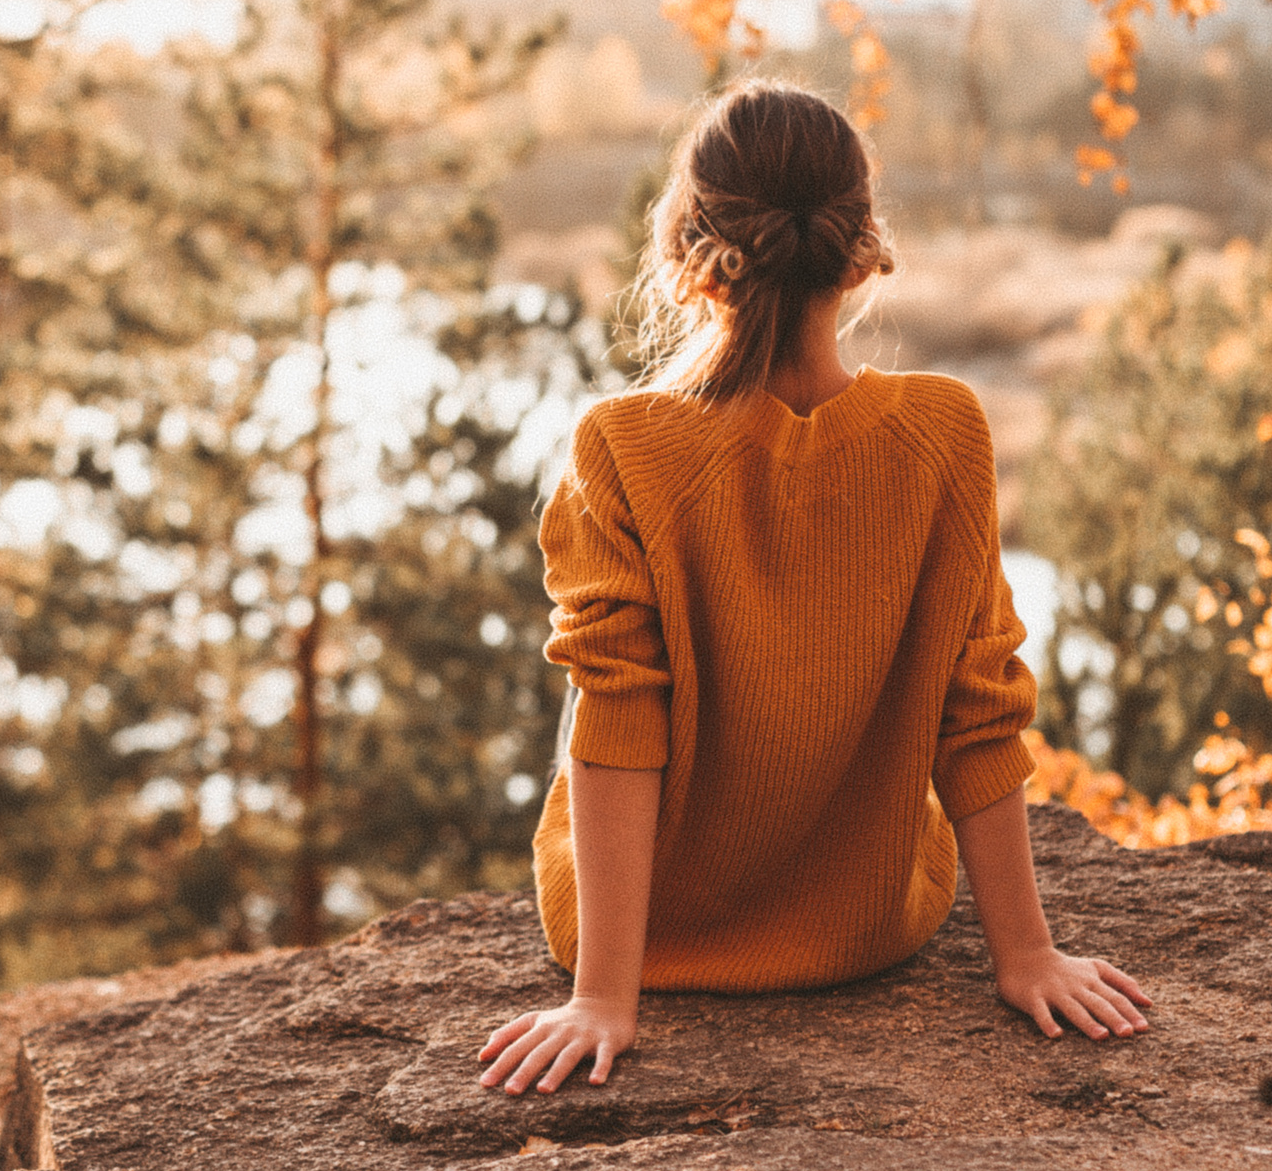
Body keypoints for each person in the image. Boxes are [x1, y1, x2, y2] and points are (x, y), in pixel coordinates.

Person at [478, 79, 1150, 1098]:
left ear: (686, 254)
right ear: (860, 251)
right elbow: (978, 708)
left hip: (649, 940)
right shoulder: (947, 431)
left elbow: (619, 718)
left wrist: (604, 998)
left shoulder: (618, 444)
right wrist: (1026, 956)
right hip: (868, 929)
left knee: (601, 681)